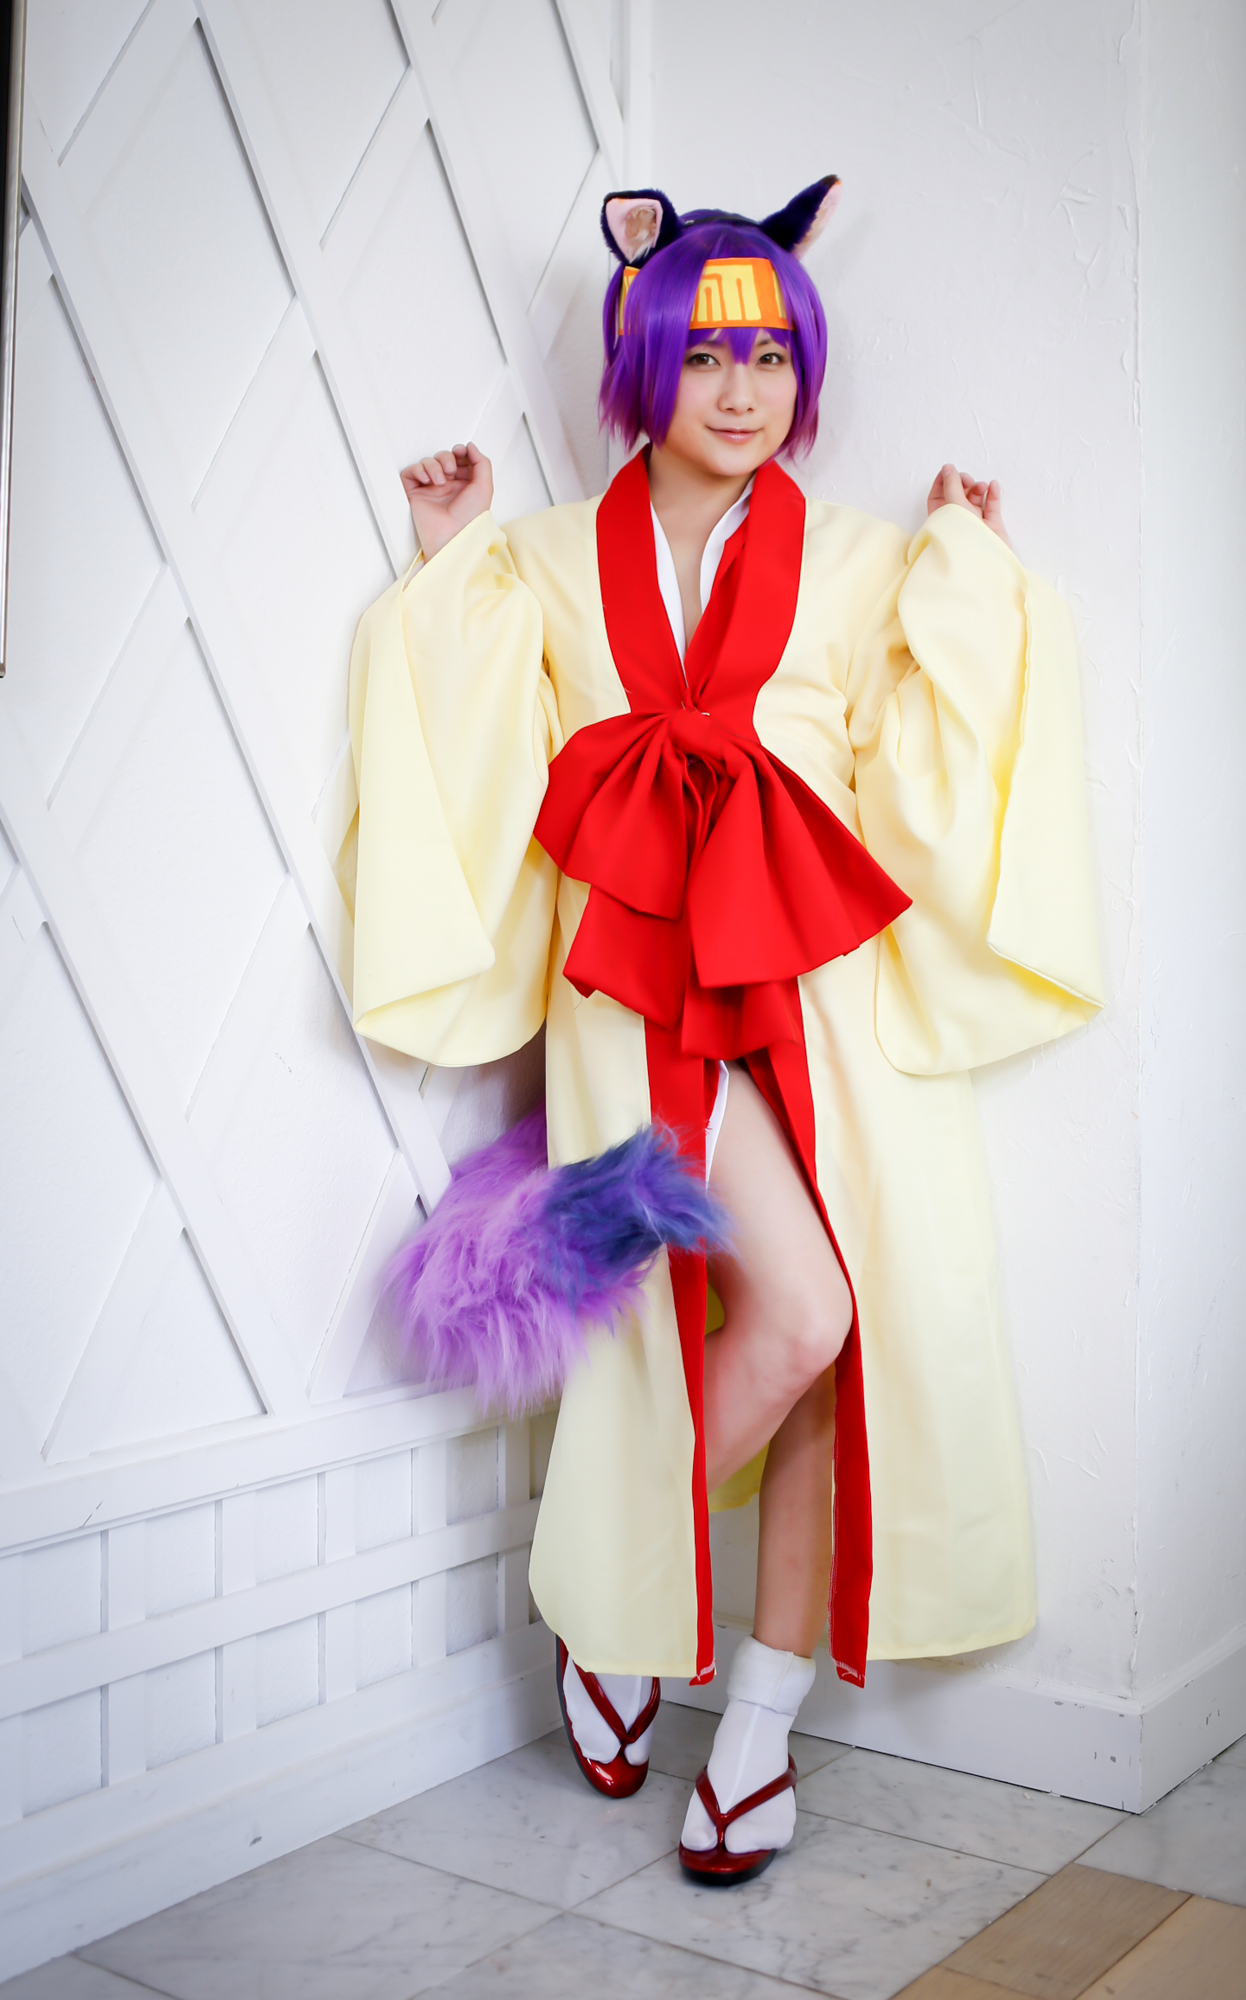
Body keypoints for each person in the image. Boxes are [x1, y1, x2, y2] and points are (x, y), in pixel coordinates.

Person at [348, 177, 1103, 1883]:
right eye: (703, 355)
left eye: (768, 355)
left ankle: (753, 1724)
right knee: (783, 1312)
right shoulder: (551, 559)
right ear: (642, 362)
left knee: (836, 1334)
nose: (740, 390)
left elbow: (926, 754)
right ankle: (613, 1615)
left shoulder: (858, 560)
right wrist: (449, 568)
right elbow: (480, 737)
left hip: (819, 998)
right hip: (630, 994)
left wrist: (967, 578)